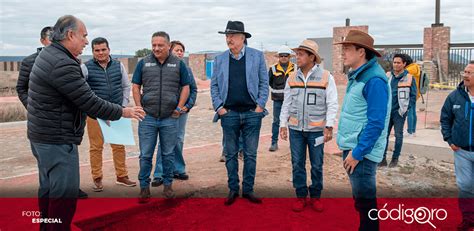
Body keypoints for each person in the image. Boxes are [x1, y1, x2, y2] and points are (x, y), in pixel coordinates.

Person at [27, 15, 145, 230]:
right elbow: (88, 101)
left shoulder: (50, 55)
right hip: (56, 140)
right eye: (84, 36)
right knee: (63, 198)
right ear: (70, 35)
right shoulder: (62, 63)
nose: (85, 42)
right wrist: (124, 111)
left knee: (48, 191)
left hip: (43, 136)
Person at [335, 30, 391, 231]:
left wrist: (357, 153)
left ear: (361, 52)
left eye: (347, 49)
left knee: (366, 205)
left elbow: (376, 123)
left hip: (362, 153)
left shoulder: (374, 80)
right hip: (355, 148)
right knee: (361, 201)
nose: (343, 53)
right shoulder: (359, 75)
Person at [210, 20, 269, 206]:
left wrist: (260, 106)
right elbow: (214, 86)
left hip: (252, 113)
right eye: (227, 36)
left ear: (243, 38)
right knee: (230, 153)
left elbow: (263, 83)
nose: (229, 39)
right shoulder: (219, 59)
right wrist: (220, 108)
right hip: (229, 114)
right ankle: (233, 189)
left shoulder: (257, 56)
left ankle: (248, 190)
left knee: (250, 154)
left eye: (232, 35)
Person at [279, 40, 338, 212]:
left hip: (316, 131)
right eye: (296, 54)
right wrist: (283, 124)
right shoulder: (291, 77)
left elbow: (332, 103)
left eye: (301, 54)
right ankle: (300, 196)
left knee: (317, 164)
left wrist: (329, 126)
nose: (297, 57)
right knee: (297, 163)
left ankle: (316, 197)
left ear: (312, 57)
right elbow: (286, 103)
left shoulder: (326, 77)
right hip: (296, 130)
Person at [132, 31, 191, 203]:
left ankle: (168, 186)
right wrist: (139, 107)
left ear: (168, 46)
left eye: (160, 45)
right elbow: (136, 86)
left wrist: (180, 108)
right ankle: (144, 187)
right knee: (145, 155)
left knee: (168, 153)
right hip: (148, 118)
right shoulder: (143, 63)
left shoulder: (179, 64)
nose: (156, 48)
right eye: (153, 45)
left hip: (169, 118)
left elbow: (186, 87)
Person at [81, 37, 136, 191]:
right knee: (96, 147)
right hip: (95, 115)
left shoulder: (119, 66)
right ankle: (97, 178)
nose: (101, 53)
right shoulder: (85, 68)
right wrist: (90, 108)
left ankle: (122, 176)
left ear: (109, 50)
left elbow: (126, 86)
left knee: (119, 146)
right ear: (92, 52)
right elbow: (82, 91)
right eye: (97, 50)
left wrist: (123, 105)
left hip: (118, 112)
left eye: (103, 49)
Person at [151, 40, 198, 186]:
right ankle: (159, 173)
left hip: (181, 112)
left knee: (178, 139)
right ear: (170, 51)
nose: (179, 53)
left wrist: (187, 106)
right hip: (166, 111)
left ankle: (178, 169)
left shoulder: (187, 69)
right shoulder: (162, 68)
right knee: (164, 141)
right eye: (176, 50)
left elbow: (193, 89)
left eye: (181, 50)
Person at [440, 61, 474, 231]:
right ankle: (468, 219)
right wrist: (449, 139)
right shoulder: (454, 96)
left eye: (469, 73)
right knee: (466, 187)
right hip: (461, 151)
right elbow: (445, 118)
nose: (465, 75)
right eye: (465, 72)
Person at [380, 54, 417, 168]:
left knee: (398, 135)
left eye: (398, 62)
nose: (395, 64)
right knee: (384, 135)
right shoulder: (387, 75)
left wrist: (406, 108)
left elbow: (413, 96)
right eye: (394, 62)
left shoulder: (409, 78)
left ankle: (395, 159)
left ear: (404, 64)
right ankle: (382, 159)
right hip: (386, 111)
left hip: (399, 112)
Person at [269, 45, 295, 152]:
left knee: (292, 121)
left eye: (286, 55)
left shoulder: (296, 68)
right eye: (281, 55)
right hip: (278, 100)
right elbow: (269, 82)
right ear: (278, 57)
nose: (283, 57)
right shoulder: (273, 68)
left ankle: (293, 143)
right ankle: (274, 142)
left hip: (293, 101)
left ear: (289, 57)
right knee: (276, 121)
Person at [405, 56, 422, 137]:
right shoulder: (416, 67)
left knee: (410, 112)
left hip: (410, 93)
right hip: (415, 93)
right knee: (413, 112)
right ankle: (413, 131)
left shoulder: (409, 69)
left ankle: (409, 131)